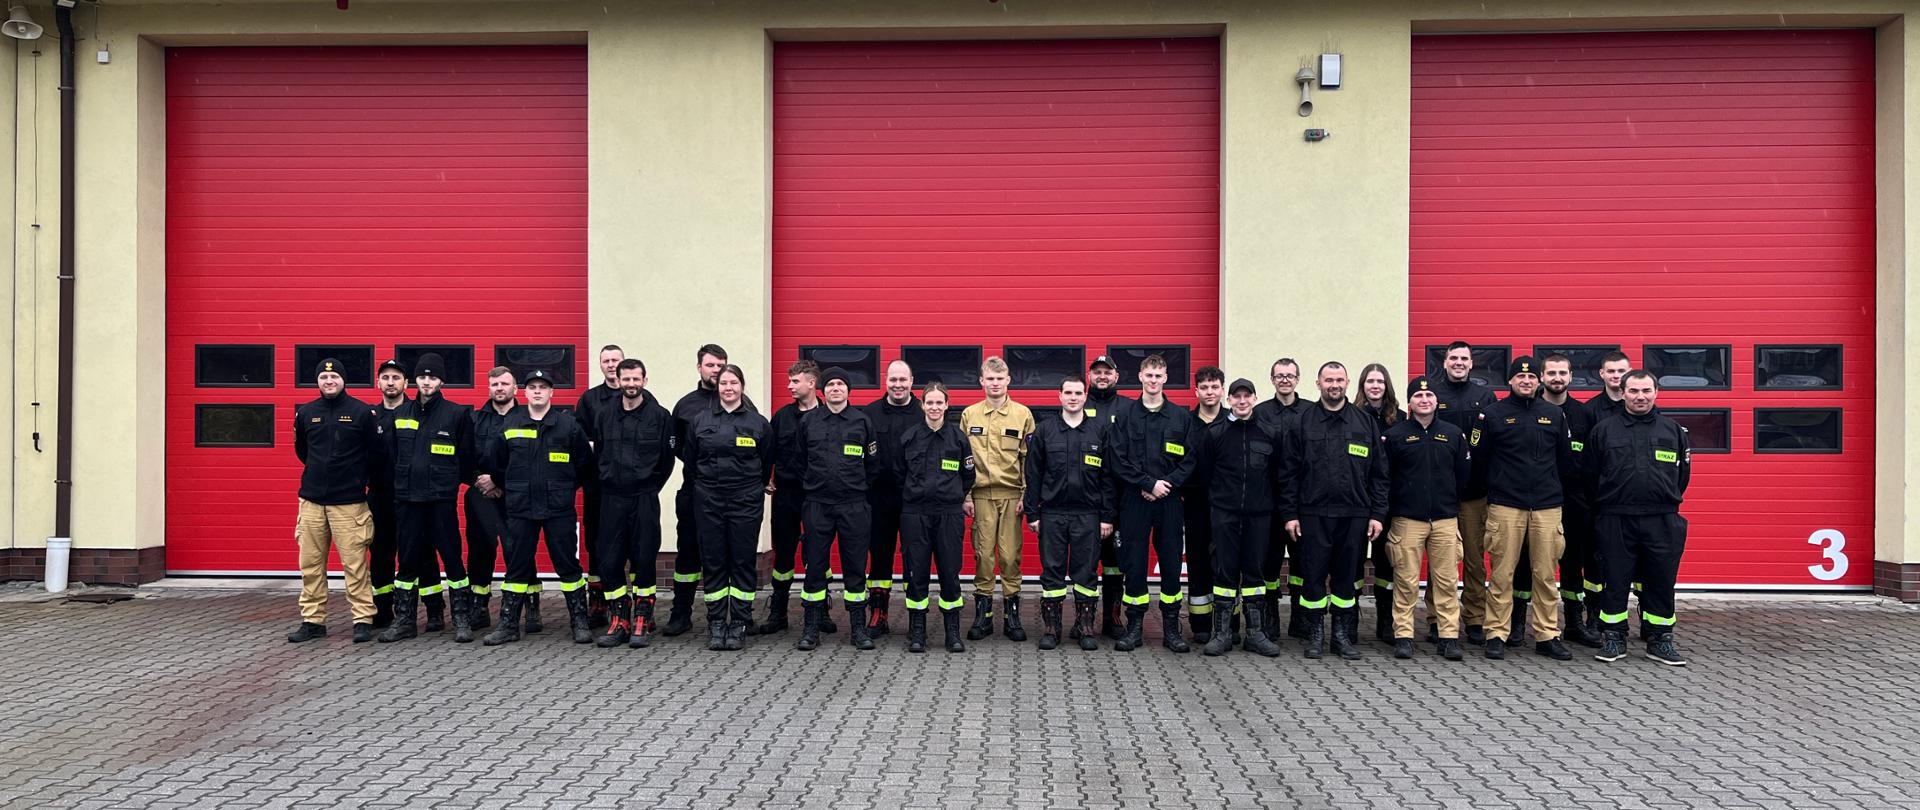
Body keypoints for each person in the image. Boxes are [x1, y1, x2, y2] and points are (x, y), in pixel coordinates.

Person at [1277, 362, 1389, 660]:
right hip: (1312, 513)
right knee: (1312, 575)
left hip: (1354, 514)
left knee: (1346, 577)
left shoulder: (1364, 422)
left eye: (1339, 380)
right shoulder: (1303, 421)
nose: (1334, 385)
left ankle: (1341, 635)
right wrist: (1290, 514)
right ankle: (1314, 633)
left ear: (1348, 382)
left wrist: (1377, 514)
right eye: (1329, 380)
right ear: (1318, 383)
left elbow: (1379, 474)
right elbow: (1288, 473)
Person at [1469, 356, 1575, 661]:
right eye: (1520, 377)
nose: (1526, 381)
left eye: (1531, 377)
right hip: (1506, 505)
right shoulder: (1492, 414)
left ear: (1538, 380)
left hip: (1546, 506)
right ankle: (1496, 633)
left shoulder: (1553, 414)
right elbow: (1478, 459)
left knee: (1545, 575)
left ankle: (1547, 635)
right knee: (1502, 574)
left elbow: (1564, 460)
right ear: (1510, 381)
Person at [480, 370, 596, 646]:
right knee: (517, 567)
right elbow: (496, 463)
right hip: (521, 508)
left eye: (543, 387)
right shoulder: (510, 424)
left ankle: (579, 622)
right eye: (532, 387)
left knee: (568, 567)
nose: (537, 392)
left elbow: (585, 466)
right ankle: (509, 625)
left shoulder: (568, 426)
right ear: (525, 392)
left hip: (558, 509)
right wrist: (510, 485)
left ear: (551, 392)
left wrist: (563, 488)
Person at [1585, 370, 1692, 666]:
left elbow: (1682, 476)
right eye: (1633, 391)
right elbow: (1590, 476)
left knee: (1661, 580)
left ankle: (1660, 639)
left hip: (1662, 519)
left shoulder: (1672, 431)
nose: (1640, 397)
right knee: (1614, 580)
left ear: (1656, 392)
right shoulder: (1604, 430)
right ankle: (1614, 638)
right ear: (1623, 393)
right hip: (1616, 518)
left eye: (1646, 391)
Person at [379, 352, 476, 644]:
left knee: (452, 559)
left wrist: (451, 484)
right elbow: (391, 456)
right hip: (408, 501)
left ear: (441, 381)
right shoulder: (400, 414)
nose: (427, 381)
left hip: (440, 501)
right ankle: (405, 621)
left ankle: (461, 619)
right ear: (415, 380)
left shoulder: (456, 414)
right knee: (407, 561)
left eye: (432, 377)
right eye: (422, 376)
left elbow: (467, 458)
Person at [286, 358, 383, 644]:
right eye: (323, 378)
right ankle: (313, 621)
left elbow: (376, 454)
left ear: (343, 380)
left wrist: (356, 478)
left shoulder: (362, 412)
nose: (329, 381)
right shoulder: (306, 413)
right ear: (317, 381)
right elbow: (303, 452)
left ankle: (362, 619)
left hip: (349, 503)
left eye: (334, 377)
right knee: (310, 564)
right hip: (312, 502)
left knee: (355, 565)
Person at [1109, 353, 1197, 652]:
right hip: (1135, 500)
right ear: (1140, 377)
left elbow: (1190, 460)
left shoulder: (1181, 417)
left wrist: (1165, 485)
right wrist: (1147, 484)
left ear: (1165, 378)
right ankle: (1134, 627)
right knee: (1134, 563)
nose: (1154, 380)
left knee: (1171, 563)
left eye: (1158, 376)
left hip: (1169, 501)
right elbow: (1117, 459)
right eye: (1149, 375)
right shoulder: (1125, 416)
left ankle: (1171, 629)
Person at [683, 364, 774, 651]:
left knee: (742, 561)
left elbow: (766, 463)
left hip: (745, 500)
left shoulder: (758, 423)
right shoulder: (700, 421)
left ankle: (739, 623)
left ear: (742, 386)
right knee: (714, 562)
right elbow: (691, 462)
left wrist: (752, 487)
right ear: (717, 387)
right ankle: (717, 623)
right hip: (709, 500)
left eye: (734, 383)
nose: (729, 388)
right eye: (724, 383)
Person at [1192, 378, 1285, 657]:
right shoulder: (1215, 433)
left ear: (1255, 398)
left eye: (1247, 396)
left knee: (1255, 573)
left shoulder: (1270, 432)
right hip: (1225, 514)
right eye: (1237, 396)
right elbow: (1205, 475)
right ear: (1229, 399)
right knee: (1224, 572)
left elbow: (1277, 475)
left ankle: (1255, 634)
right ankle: (1222, 633)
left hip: (1259, 515)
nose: (1242, 401)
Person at [590, 358, 677, 649]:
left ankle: (642, 618)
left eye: (635, 379)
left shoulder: (659, 416)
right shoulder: (604, 415)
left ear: (644, 381)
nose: (631, 384)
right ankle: (619, 619)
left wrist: (650, 487)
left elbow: (667, 461)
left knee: (644, 557)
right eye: (625, 379)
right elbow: (599, 454)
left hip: (644, 497)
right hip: (612, 497)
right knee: (609, 559)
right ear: (618, 380)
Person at [1381, 376, 1469, 661]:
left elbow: (1463, 476)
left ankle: (1448, 637)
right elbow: (1385, 477)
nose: (1424, 400)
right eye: (1418, 396)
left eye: (1429, 395)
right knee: (1406, 581)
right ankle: (1404, 636)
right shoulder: (1395, 436)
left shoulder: (1453, 434)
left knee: (1446, 581)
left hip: (1445, 519)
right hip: (1407, 520)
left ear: (1436, 401)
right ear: (1410, 402)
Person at [1024, 376, 1114, 651]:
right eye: (1068, 393)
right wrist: (1032, 513)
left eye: (1078, 393)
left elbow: (1108, 477)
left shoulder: (1099, 431)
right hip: (1052, 513)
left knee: (1086, 572)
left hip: (1088, 514)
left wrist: (1107, 516)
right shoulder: (1045, 431)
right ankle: (1052, 629)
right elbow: (1033, 474)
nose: (1073, 397)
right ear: (1060, 396)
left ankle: (1085, 627)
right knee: (1052, 571)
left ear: (1085, 396)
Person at [796, 366, 879, 651]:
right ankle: (811, 628)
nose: (835, 388)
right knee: (815, 566)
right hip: (818, 504)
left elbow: (873, 465)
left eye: (840, 384)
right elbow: (800, 460)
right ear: (823, 390)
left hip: (853, 505)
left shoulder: (862, 422)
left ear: (848, 390)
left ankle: (858, 628)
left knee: (855, 566)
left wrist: (856, 488)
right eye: (830, 384)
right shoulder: (809, 421)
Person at [960, 355, 1035, 642]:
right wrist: (966, 495)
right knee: (983, 556)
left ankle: (1012, 616)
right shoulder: (970, 415)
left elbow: (1029, 460)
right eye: (989, 378)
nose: (994, 383)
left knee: (1010, 556)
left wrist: (1026, 495)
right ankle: (984, 616)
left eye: (999, 378)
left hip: (1011, 495)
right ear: (981, 381)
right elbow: (964, 459)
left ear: (1008, 380)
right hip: (980, 496)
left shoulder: (1023, 414)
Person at [898, 382, 975, 653]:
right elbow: (898, 473)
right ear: (922, 405)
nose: (934, 407)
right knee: (916, 572)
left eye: (939, 402)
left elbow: (968, 475)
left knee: (949, 572)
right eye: (929, 402)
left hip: (948, 514)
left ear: (946, 405)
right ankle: (917, 630)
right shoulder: (909, 437)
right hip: (915, 514)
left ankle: (952, 632)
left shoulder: (958, 438)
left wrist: (953, 496)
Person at [1429, 341, 1497, 644]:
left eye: (1464, 358)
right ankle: (1436, 618)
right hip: (1439, 493)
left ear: (1472, 363)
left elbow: (1494, 443)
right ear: (1445, 362)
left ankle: (1474, 618)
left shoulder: (1484, 396)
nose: (1458, 362)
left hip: (1474, 492)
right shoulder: (1432, 393)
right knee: (1440, 560)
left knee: (1473, 559)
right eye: (1453, 358)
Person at [1540, 353, 1603, 647]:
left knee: (1574, 562)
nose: (1557, 378)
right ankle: (1518, 624)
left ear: (1570, 376)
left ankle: (1576, 622)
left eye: (1562, 373)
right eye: (1551, 373)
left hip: (1576, 501)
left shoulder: (1583, 414)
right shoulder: (1531, 410)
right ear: (1542, 377)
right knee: (1528, 565)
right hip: (1539, 500)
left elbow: (1594, 460)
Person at [755, 359, 823, 635]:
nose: (789, 386)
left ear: (811, 383)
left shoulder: (826, 416)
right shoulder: (782, 416)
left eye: (795, 381)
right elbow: (767, 451)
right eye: (789, 380)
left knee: (817, 554)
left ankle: (820, 611)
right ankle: (778, 612)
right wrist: (765, 478)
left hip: (817, 495)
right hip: (786, 494)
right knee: (783, 554)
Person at [666, 344, 727, 637]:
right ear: (699, 367)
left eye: (721, 365)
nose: (716, 370)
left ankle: (733, 616)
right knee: (688, 554)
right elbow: (675, 445)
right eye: (711, 365)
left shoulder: (740, 402)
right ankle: (681, 614)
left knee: (728, 554)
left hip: (728, 494)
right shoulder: (686, 405)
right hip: (694, 490)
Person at [863, 360, 920, 635]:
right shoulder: (870, 413)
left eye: (903, 380)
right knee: (879, 555)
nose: (898, 385)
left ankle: (916, 617)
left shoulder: (923, 412)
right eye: (893, 380)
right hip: (879, 498)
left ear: (912, 381)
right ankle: (878, 613)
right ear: (886, 381)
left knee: (914, 557)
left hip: (913, 499)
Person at [1253, 357, 1308, 640]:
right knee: (1269, 563)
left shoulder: (1311, 411)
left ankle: (1299, 619)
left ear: (1298, 379)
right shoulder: (1259, 413)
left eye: (1290, 375)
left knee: (1302, 563)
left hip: (1303, 501)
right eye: (1279, 376)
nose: (1285, 380)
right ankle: (1269, 619)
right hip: (1269, 501)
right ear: (1272, 379)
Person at [575, 345, 627, 629]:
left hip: (628, 486)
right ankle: (597, 601)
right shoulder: (590, 399)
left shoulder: (639, 396)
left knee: (630, 543)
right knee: (596, 542)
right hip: (597, 485)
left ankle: (632, 605)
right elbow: (578, 439)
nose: (611, 364)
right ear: (600, 365)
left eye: (615, 360)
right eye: (606, 360)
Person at [465, 366, 520, 633]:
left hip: (516, 494)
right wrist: (481, 480)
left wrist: (500, 481)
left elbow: (529, 459)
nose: (500, 388)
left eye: (505, 384)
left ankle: (525, 606)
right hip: (481, 494)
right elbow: (463, 456)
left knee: (517, 549)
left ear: (515, 388)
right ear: (489, 388)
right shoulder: (474, 420)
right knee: (481, 549)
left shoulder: (525, 418)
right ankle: (479, 606)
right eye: (495, 384)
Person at [1085, 355, 1136, 638]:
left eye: (1107, 372)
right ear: (1089, 376)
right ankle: (1084, 619)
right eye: (1097, 372)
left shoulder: (1129, 408)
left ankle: (1112, 619)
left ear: (1116, 376)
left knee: (1115, 563)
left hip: (1120, 499)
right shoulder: (1080, 403)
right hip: (1086, 498)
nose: (1102, 376)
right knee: (1086, 562)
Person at [1355, 362, 1404, 641]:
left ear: (1387, 386)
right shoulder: (1352, 417)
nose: (1375, 386)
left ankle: (1386, 621)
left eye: (1380, 381)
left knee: (1386, 565)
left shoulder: (1401, 419)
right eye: (1370, 381)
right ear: (1362, 386)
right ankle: (1350, 620)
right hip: (1358, 502)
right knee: (1354, 563)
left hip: (1390, 504)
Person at [1183, 365, 1227, 643]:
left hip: (1227, 507)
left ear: (1222, 389)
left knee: (1226, 564)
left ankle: (1228, 624)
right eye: (1204, 387)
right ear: (1196, 390)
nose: (1209, 392)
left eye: (1214, 387)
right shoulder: (1186, 423)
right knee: (1198, 562)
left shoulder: (1233, 421)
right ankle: (1200, 625)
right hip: (1195, 504)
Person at [368, 358, 409, 628]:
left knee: (412, 554)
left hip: (410, 497)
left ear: (406, 383)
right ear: (378, 383)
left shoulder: (416, 413)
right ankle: (382, 610)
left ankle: (408, 611)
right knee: (380, 554)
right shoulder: (369, 417)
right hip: (379, 496)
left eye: (396, 377)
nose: (390, 382)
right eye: (386, 378)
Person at [1587, 350, 1633, 425]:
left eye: (1621, 371)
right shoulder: (1589, 409)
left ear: (1630, 372)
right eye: (1611, 371)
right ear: (1602, 373)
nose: (1616, 376)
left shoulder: (1639, 405)